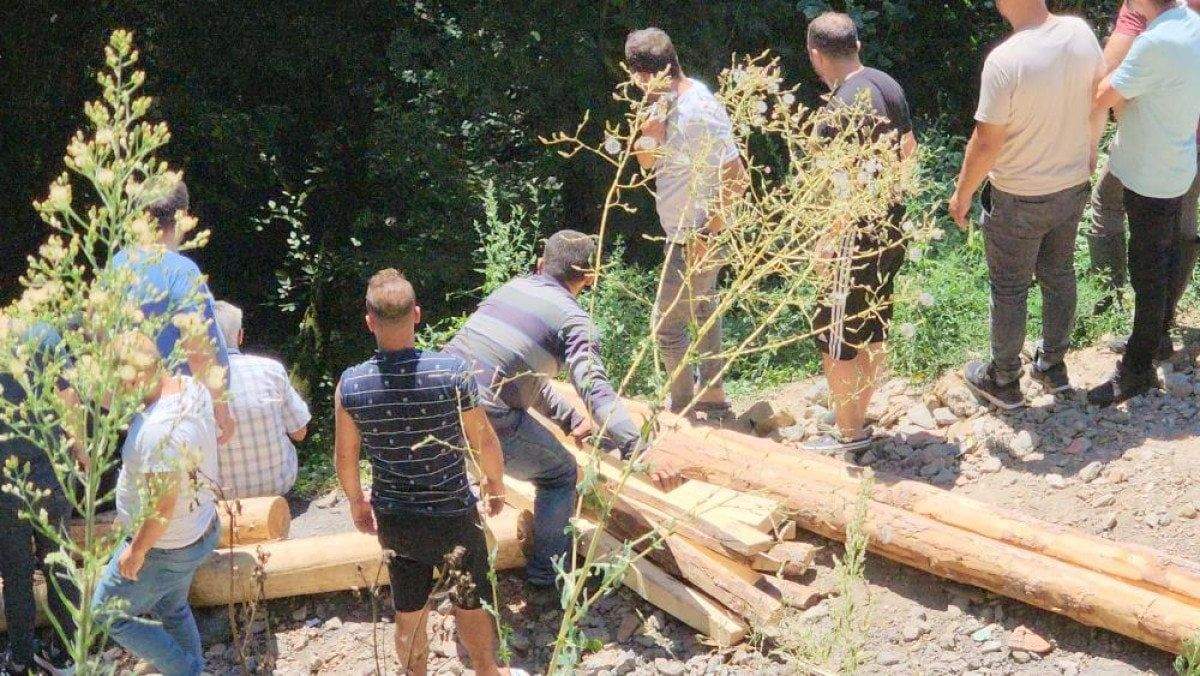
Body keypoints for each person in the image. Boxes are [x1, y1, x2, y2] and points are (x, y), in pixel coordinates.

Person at [445, 230, 682, 591]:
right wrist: (641, 450)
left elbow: (523, 377)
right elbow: (595, 389)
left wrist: (570, 418)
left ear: (541, 264)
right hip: (485, 417)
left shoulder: (511, 290)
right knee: (559, 474)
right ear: (590, 278)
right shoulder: (574, 320)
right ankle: (548, 575)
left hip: (435, 399)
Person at [334, 269, 511, 675]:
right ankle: (486, 669)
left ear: (369, 322)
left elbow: (346, 457)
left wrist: (357, 502)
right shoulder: (452, 371)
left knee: (409, 609)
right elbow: (483, 438)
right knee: (470, 601)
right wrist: (495, 481)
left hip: (398, 519)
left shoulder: (352, 384)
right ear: (416, 314)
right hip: (454, 514)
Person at [948, 0, 1105, 409]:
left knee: (1010, 287)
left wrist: (962, 194)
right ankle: (1052, 366)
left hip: (1018, 195)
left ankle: (1003, 379)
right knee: (1059, 273)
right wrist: (1091, 149)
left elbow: (987, 142)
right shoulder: (1080, 33)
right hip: (1071, 184)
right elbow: (1098, 99)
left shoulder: (1006, 60)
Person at [801, 12, 918, 454]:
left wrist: (826, 242)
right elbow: (909, 150)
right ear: (857, 46)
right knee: (873, 325)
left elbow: (840, 186)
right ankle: (855, 415)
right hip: (891, 224)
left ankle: (849, 434)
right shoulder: (887, 85)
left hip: (853, 233)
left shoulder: (838, 110)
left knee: (836, 336)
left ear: (816, 54)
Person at [626, 27, 747, 416]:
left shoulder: (698, 110)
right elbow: (647, 164)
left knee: (666, 327)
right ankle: (712, 396)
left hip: (697, 234)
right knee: (703, 310)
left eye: (635, 76)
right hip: (684, 231)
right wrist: (650, 134)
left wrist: (708, 234)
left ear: (644, 73)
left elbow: (737, 176)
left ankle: (681, 408)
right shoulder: (660, 102)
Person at [1088, 0, 1200, 405]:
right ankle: (1151, 338)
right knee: (1160, 260)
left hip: (1150, 177)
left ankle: (1137, 370)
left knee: (1147, 272)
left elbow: (1102, 95)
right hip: (1175, 164)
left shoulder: (1156, 41)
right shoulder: (1190, 22)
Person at [92, 332, 221, 676]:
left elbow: (162, 507)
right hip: (199, 527)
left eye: (117, 383)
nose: (115, 392)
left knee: (108, 613)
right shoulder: (191, 388)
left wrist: (136, 551)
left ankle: (189, 671)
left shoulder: (157, 431)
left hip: (165, 546)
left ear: (134, 378)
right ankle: (191, 668)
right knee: (171, 606)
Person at [110, 180, 235, 445]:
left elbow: (97, 338)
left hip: (132, 417)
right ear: (183, 217)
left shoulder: (116, 266)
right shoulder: (181, 271)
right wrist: (221, 408)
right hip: (180, 417)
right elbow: (197, 349)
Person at [0, 321, 80, 675]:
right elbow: (69, 399)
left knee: (15, 571)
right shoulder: (43, 334)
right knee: (59, 562)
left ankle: (20, 658)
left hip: (6, 483)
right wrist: (82, 454)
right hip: (51, 472)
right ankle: (66, 653)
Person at [212, 300, 311, 499]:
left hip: (221, 495)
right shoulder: (272, 369)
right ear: (240, 336)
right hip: (276, 488)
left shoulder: (191, 384)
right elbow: (300, 432)